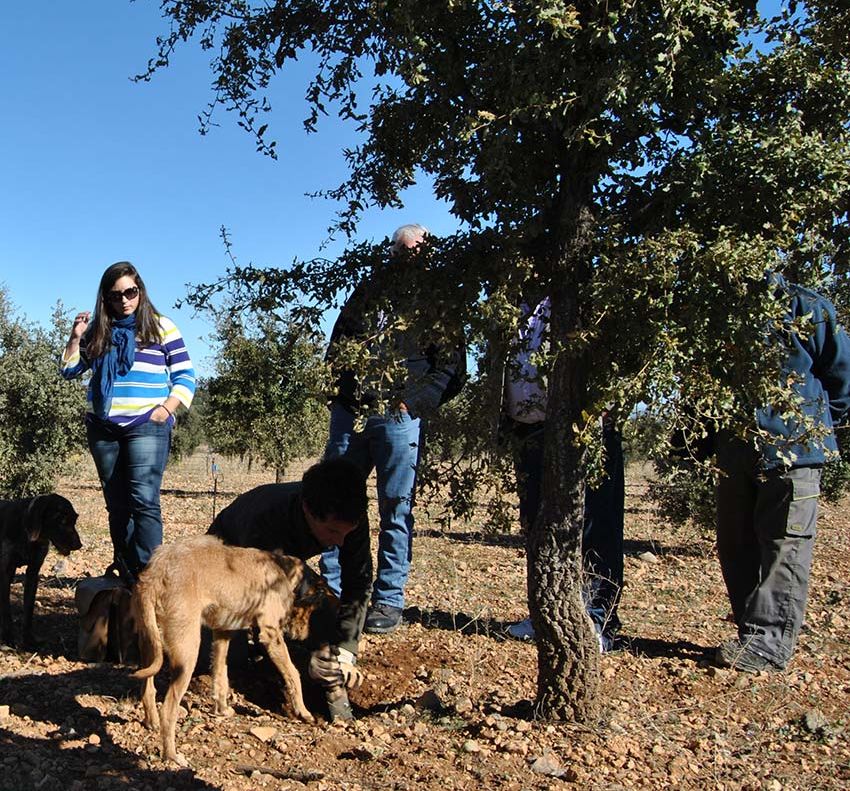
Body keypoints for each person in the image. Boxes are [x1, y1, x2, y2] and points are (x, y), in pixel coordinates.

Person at [321, 223, 464, 634]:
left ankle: (388, 599)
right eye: (401, 251)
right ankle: (335, 592)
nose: (407, 259)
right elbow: (338, 344)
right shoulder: (366, 293)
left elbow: (452, 368)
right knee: (335, 500)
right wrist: (338, 392)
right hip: (351, 414)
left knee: (395, 509)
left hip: (398, 418)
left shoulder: (437, 302)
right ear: (392, 253)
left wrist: (412, 403)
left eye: (416, 252)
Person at [713, 273, 850, 672]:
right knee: (735, 541)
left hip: (795, 451)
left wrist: (813, 426)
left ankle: (769, 645)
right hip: (735, 450)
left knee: (784, 547)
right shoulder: (720, 313)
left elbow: (841, 380)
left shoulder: (809, 309)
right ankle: (750, 634)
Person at [500, 297, 625, 652]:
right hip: (527, 430)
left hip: (582, 429)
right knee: (539, 524)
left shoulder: (583, 294)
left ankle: (598, 617)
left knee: (594, 525)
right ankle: (548, 613)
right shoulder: (513, 304)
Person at [61, 261, 195, 583]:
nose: (124, 300)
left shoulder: (161, 327)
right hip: (103, 427)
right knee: (117, 505)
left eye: (130, 292)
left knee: (144, 501)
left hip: (147, 425)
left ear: (140, 290)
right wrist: (75, 337)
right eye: (115, 295)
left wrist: (166, 409)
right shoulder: (98, 332)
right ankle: (127, 573)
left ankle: (153, 578)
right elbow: (69, 370)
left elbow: (186, 375)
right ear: (105, 298)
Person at [207, 457, 370, 713]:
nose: (340, 542)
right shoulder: (267, 521)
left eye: (346, 533)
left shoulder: (348, 516)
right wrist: (305, 662)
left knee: (325, 609)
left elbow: (358, 584)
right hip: (228, 568)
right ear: (307, 509)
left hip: (285, 566)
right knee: (231, 658)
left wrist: (346, 651)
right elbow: (263, 615)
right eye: (331, 532)